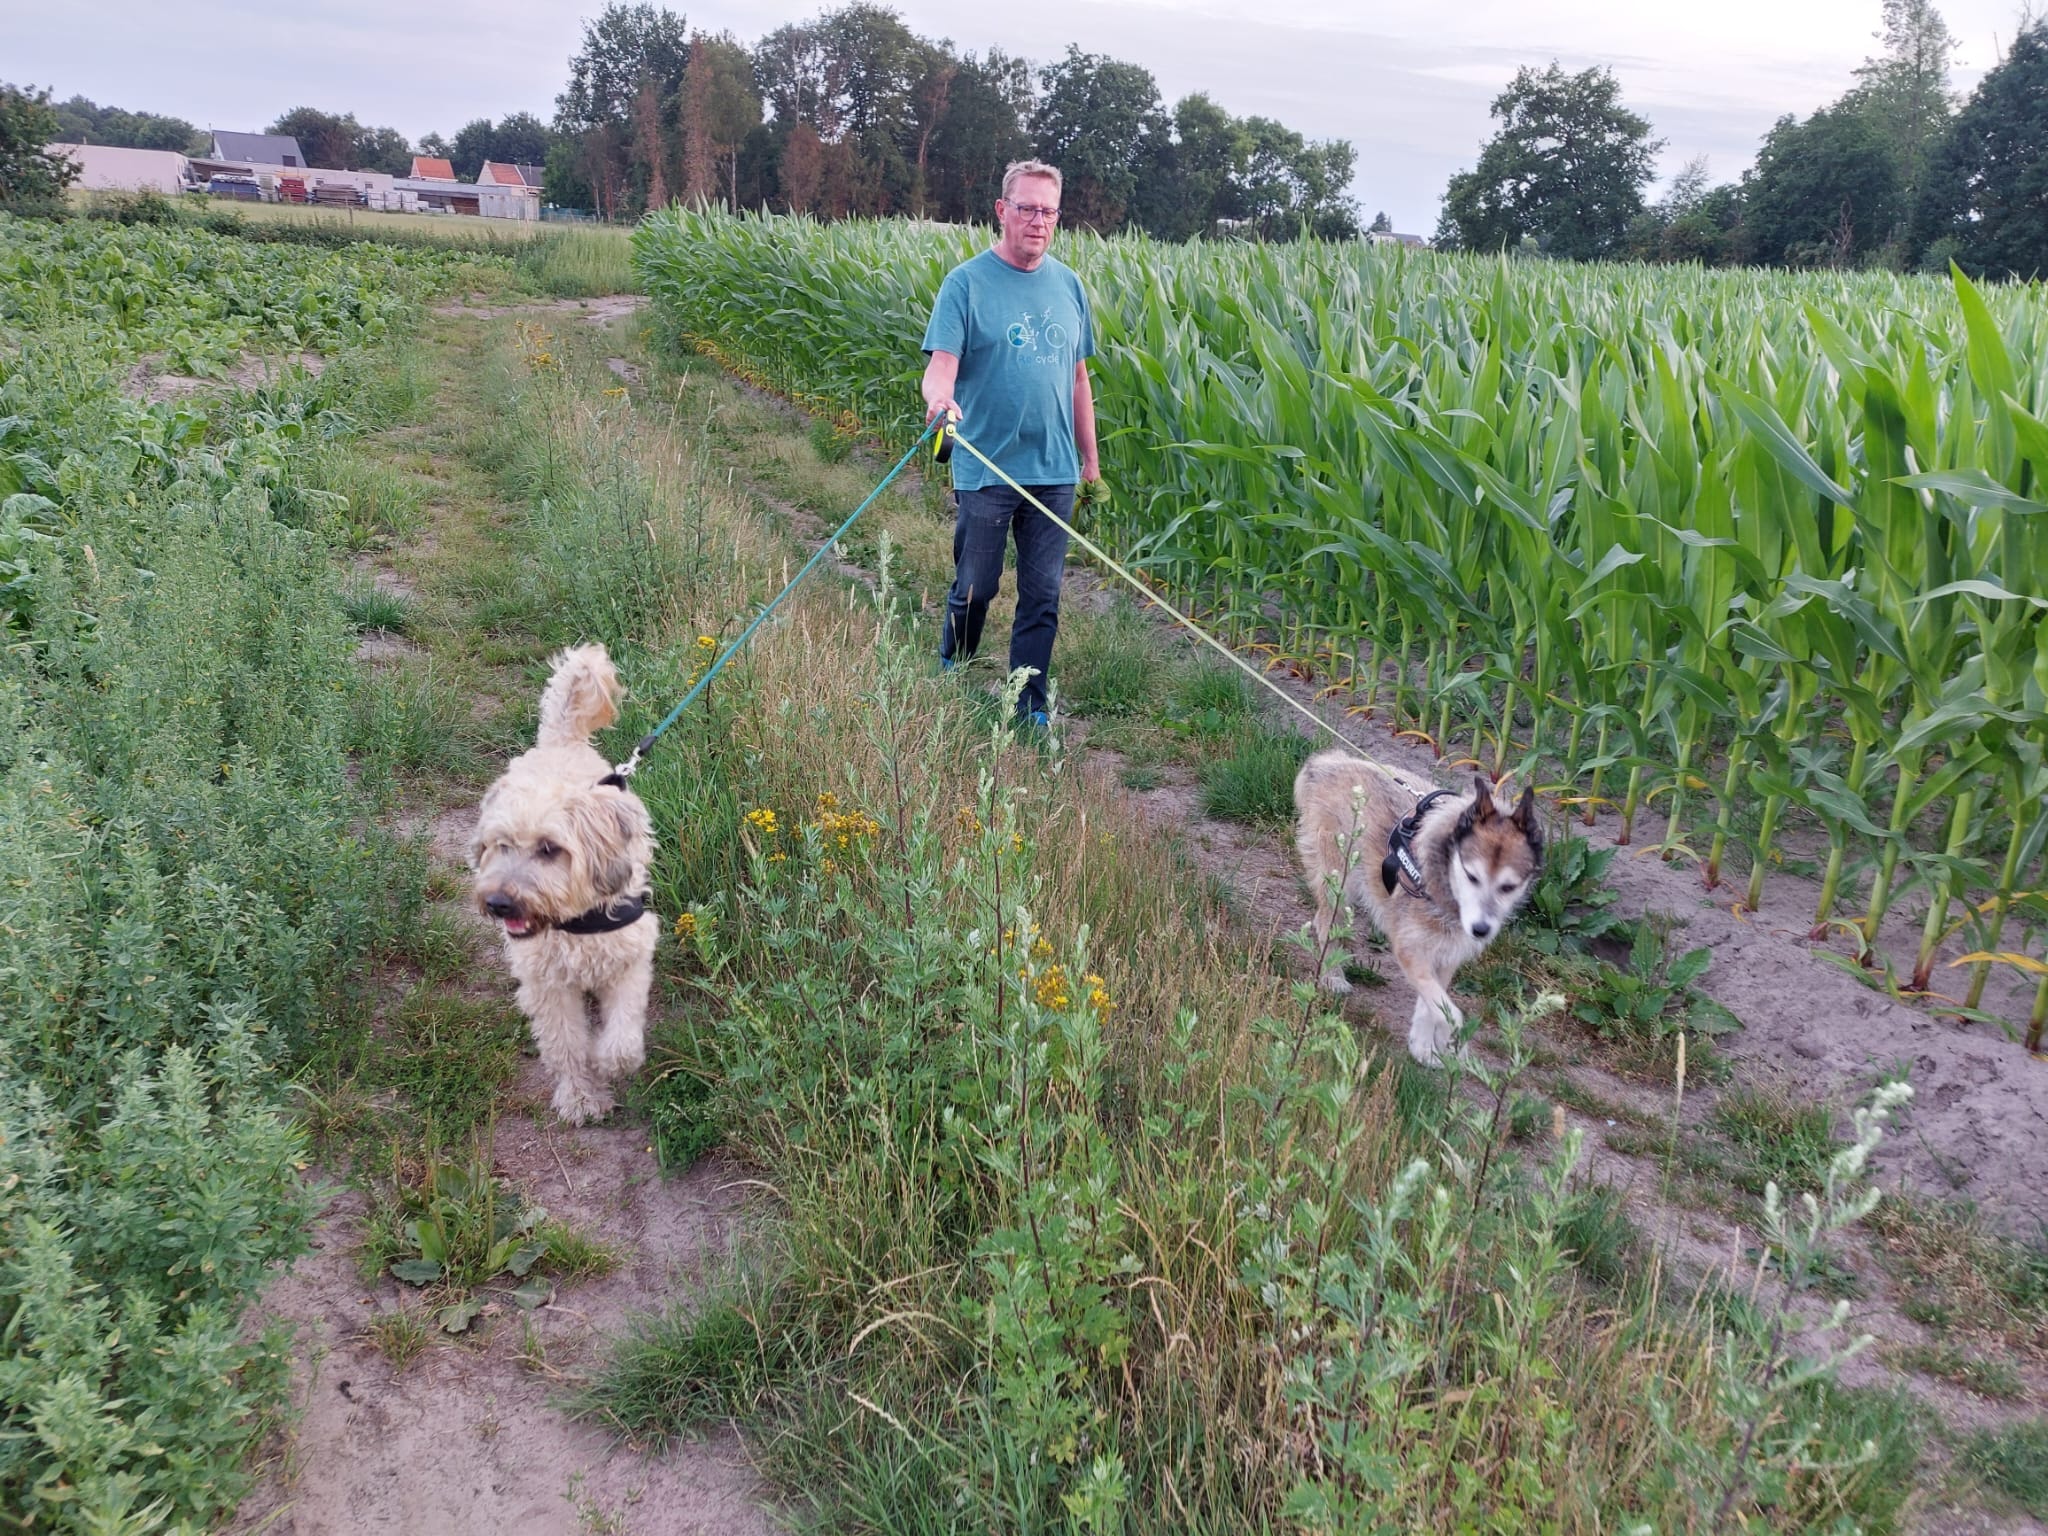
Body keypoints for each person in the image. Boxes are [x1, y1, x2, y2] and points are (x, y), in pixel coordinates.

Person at [921, 157, 1100, 729]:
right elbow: (941, 365)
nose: (1038, 221)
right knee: (977, 585)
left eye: (1049, 211)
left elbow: (1078, 379)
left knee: (1043, 594)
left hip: (1053, 469)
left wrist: (1090, 459)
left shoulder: (1069, 285)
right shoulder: (966, 284)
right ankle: (954, 665)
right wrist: (940, 400)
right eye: (1027, 209)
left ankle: (1029, 707)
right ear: (1002, 210)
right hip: (985, 464)